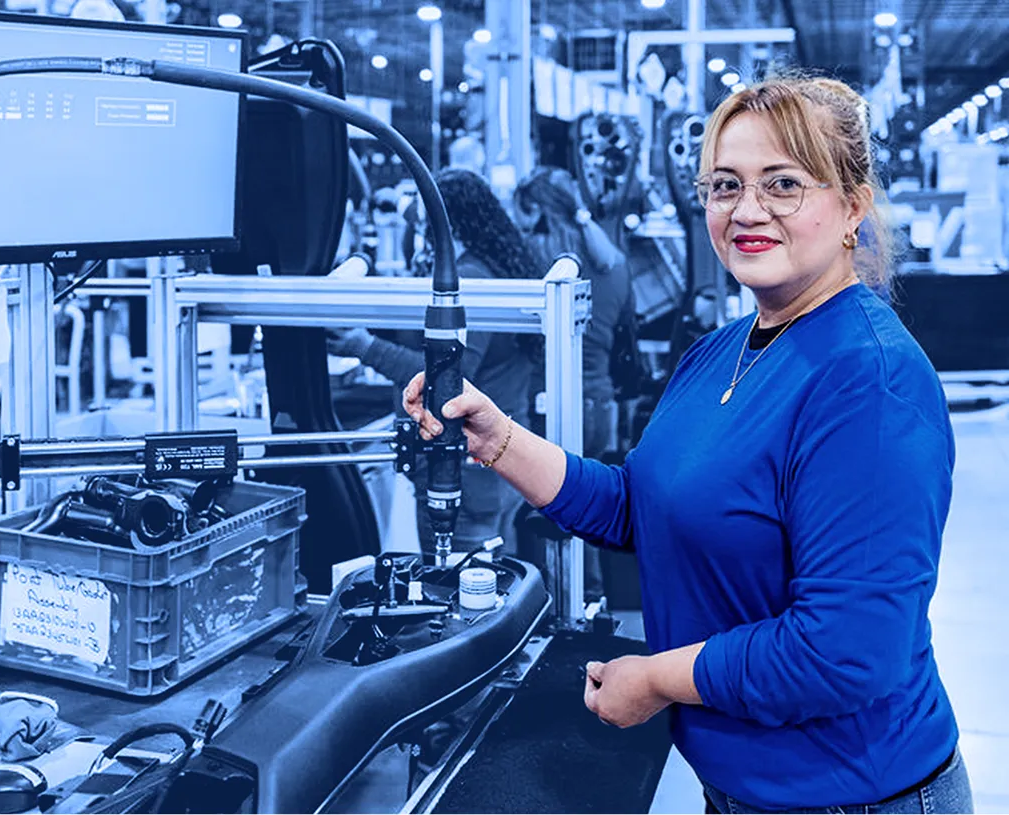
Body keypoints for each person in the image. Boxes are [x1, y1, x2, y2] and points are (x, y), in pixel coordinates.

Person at [403, 75, 972, 814]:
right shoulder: (720, 352)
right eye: (725, 185)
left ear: (853, 206)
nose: (747, 210)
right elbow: (640, 506)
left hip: (853, 796)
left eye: (784, 184)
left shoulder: (872, 382)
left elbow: (845, 650)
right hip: (742, 787)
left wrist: (658, 678)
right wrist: (498, 436)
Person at [328, 168, 541, 554]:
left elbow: (451, 377)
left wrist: (364, 346)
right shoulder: (490, 266)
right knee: (494, 586)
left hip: (465, 474)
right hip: (494, 467)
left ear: (445, 219)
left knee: (451, 589)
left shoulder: (471, 279)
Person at [513, 166, 636, 600]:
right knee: (591, 515)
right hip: (600, 407)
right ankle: (592, 604)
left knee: (546, 521)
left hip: (553, 405)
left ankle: (551, 619)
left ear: (537, 211)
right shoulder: (614, 261)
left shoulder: (537, 262)